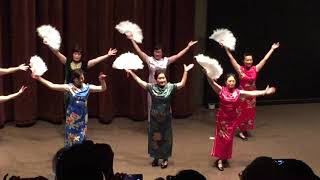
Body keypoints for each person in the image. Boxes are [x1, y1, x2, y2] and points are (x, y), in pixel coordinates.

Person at [203, 72, 276, 171]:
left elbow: (251, 93)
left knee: (228, 140)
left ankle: (224, 157)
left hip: (232, 120)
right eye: (229, 81)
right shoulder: (221, 90)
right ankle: (220, 159)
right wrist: (207, 73)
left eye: (233, 81)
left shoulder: (238, 92)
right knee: (222, 140)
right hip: (222, 120)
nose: (231, 83)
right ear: (225, 82)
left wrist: (264, 92)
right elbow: (212, 83)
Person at [126, 64, 194, 168]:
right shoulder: (151, 87)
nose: (162, 80)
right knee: (155, 138)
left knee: (166, 139)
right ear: (155, 79)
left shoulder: (170, 87)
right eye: (160, 78)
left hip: (166, 119)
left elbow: (182, 84)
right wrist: (131, 72)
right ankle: (156, 158)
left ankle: (165, 158)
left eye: (163, 77)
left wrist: (185, 71)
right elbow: (140, 81)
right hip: (154, 120)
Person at [126, 32, 197, 121]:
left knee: (164, 106)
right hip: (152, 86)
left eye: (159, 52)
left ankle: (164, 124)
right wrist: (132, 39)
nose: (157, 54)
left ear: (162, 53)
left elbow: (178, 55)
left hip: (164, 87)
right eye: (155, 52)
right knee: (151, 106)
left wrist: (188, 47)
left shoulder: (166, 61)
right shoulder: (149, 60)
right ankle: (151, 124)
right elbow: (139, 51)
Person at [32, 69, 107, 147]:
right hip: (72, 115)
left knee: (82, 134)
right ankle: (70, 151)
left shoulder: (87, 87)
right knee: (72, 134)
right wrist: (39, 78)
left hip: (83, 115)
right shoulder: (69, 87)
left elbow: (103, 88)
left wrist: (102, 80)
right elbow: (52, 85)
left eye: (82, 78)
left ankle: (80, 150)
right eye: (79, 78)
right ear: (74, 79)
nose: (81, 80)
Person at [223, 42, 280, 140]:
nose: (249, 61)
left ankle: (244, 128)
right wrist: (225, 48)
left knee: (249, 113)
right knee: (241, 112)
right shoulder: (240, 69)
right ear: (244, 61)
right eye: (247, 60)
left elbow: (265, 59)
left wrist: (272, 49)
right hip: (242, 95)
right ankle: (240, 131)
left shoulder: (255, 68)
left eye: (250, 60)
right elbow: (231, 59)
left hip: (252, 95)